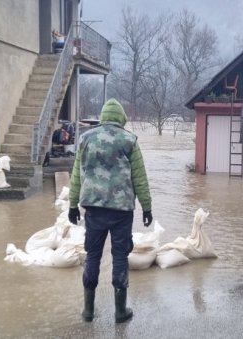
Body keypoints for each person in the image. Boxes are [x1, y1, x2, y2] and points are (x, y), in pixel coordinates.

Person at [68, 98, 153, 323]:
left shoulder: (85, 138)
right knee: (120, 257)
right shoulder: (129, 140)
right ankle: (120, 311)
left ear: (103, 117)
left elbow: (77, 174)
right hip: (121, 212)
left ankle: (88, 310)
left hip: (93, 210)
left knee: (93, 255)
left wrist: (72, 204)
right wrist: (147, 207)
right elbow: (140, 178)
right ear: (121, 118)